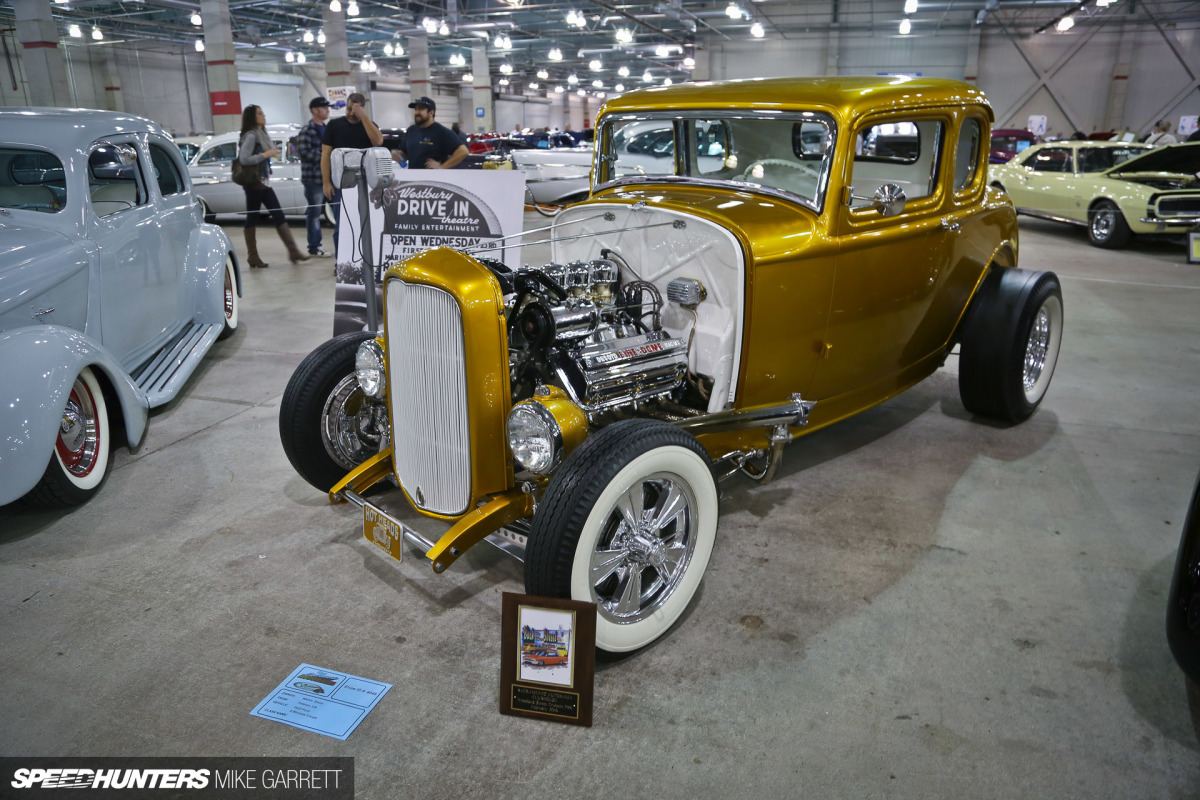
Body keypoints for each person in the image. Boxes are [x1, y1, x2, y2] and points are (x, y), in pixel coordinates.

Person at [237, 105, 309, 267]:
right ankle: (254, 256)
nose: (264, 116)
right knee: (254, 219)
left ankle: (293, 251)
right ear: (252, 117)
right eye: (260, 113)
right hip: (253, 184)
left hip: (261, 183)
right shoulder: (251, 136)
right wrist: (265, 155)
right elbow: (244, 159)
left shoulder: (261, 134)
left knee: (276, 216)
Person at [321, 92, 385, 248]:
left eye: (355, 110)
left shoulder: (369, 125)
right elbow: (326, 154)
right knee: (341, 225)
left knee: (366, 224)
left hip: (366, 184)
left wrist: (363, 118)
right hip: (341, 184)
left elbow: (378, 141)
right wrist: (326, 182)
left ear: (362, 109)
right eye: (348, 109)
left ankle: (367, 259)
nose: (351, 113)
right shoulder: (334, 125)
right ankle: (341, 263)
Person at [296, 96, 332, 258]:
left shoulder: (327, 129)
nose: (327, 110)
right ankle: (314, 246)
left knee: (337, 212)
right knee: (315, 214)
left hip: (329, 178)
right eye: (324, 108)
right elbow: (303, 152)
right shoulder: (307, 130)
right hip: (313, 179)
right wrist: (325, 156)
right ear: (315, 110)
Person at [395, 96, 469, 170]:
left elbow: (463, 151)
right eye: (416, 109)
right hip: (414, 178)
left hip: (433, 179)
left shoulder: (441, 132)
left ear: (431, 113)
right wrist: (397, 154)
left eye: (420, 109)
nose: (417, 112)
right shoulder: (411, 130)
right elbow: (404, 152)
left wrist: (442, 167)